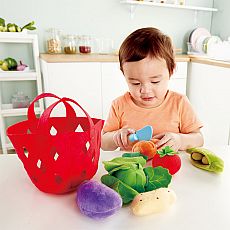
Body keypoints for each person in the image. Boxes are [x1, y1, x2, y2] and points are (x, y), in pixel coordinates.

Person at [101, 27, 203, 152]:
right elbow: (103, 142)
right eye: (135, 83)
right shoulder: (119, 105)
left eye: (155, 82)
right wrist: (115, 137)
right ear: (124, 75)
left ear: (171, 71)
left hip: (169, 168)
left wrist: (180, 140)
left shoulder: (179, 103)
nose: (145, 90)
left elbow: (199, 139)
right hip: (132, 168)